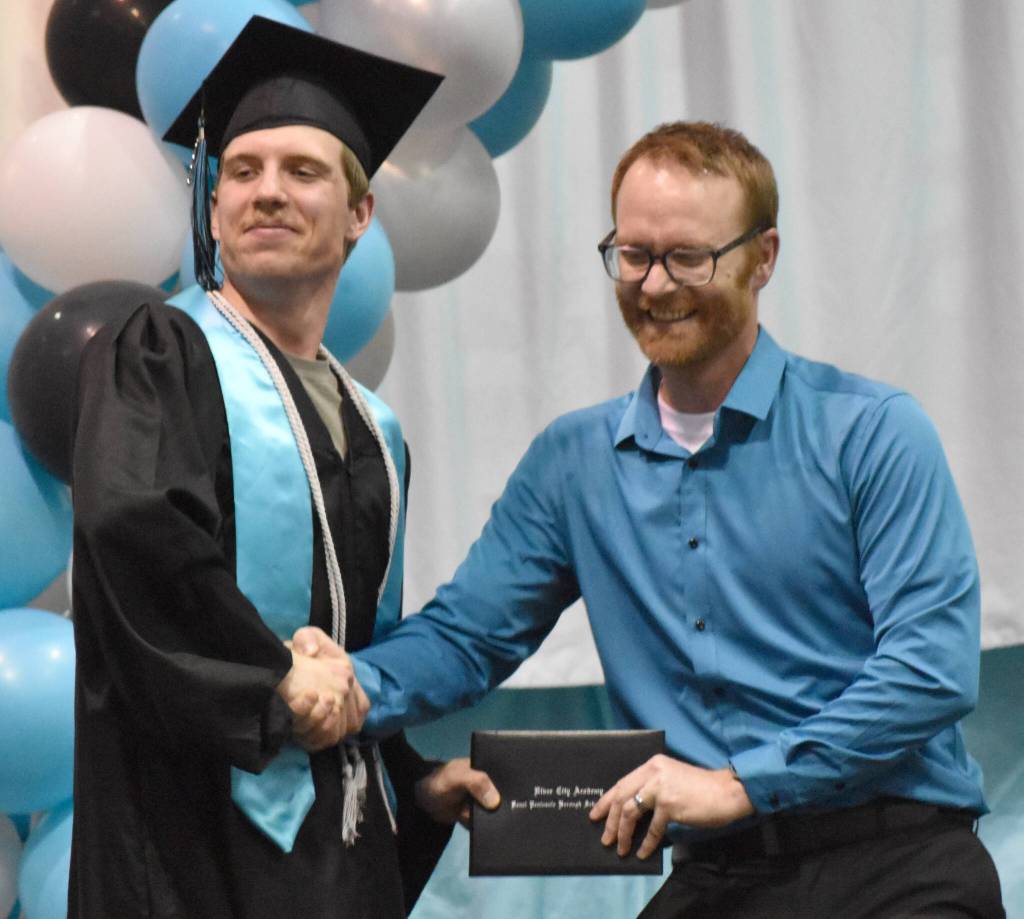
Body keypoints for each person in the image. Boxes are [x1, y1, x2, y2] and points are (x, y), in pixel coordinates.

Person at [335, 121, 1005, 917]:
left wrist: (739, 783)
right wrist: (343, 686)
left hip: (899, 865)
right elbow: (466, 636)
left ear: (764, 257)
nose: (654, 285)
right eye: (633, 254)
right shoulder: (571, 461)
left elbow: (930, 670)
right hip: (717, 876)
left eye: (689, 256)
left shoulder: (874, 431)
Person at [68, 16, 493, 919]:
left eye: (302, 172)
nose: (266, 193)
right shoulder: (159, 356)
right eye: (242, 172)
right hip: (189, 845)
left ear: (359, 213)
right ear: (213, 207)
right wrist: (270, 688)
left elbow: (349, 635)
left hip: (331, 856)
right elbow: (136, 544)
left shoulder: (373, 427)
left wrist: (404, 776)